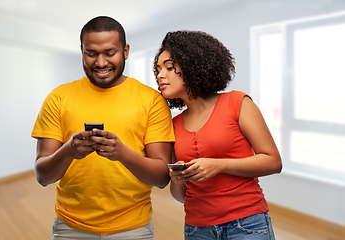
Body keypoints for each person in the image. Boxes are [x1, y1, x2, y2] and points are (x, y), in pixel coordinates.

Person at [31, 16, 174, 240]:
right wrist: (69, 151)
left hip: (133, 229)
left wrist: (122, 153)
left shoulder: (152, 101)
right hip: (70, 228)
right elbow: (43, 176)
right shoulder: (58, 98)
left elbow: (162, 177)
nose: (100, 63)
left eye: (110, 52)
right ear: (81, 50)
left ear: (125, 51)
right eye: (91, 53)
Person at [153, 30, 282, 240]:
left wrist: (219, 165)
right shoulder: (173, 125)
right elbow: (180, 196)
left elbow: (273, 162)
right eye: (158, 69)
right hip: (197, 229)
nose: (160, 75)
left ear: (192, 65)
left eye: (169, 67)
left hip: (247, 224)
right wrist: (177, 179)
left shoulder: (237, 103)